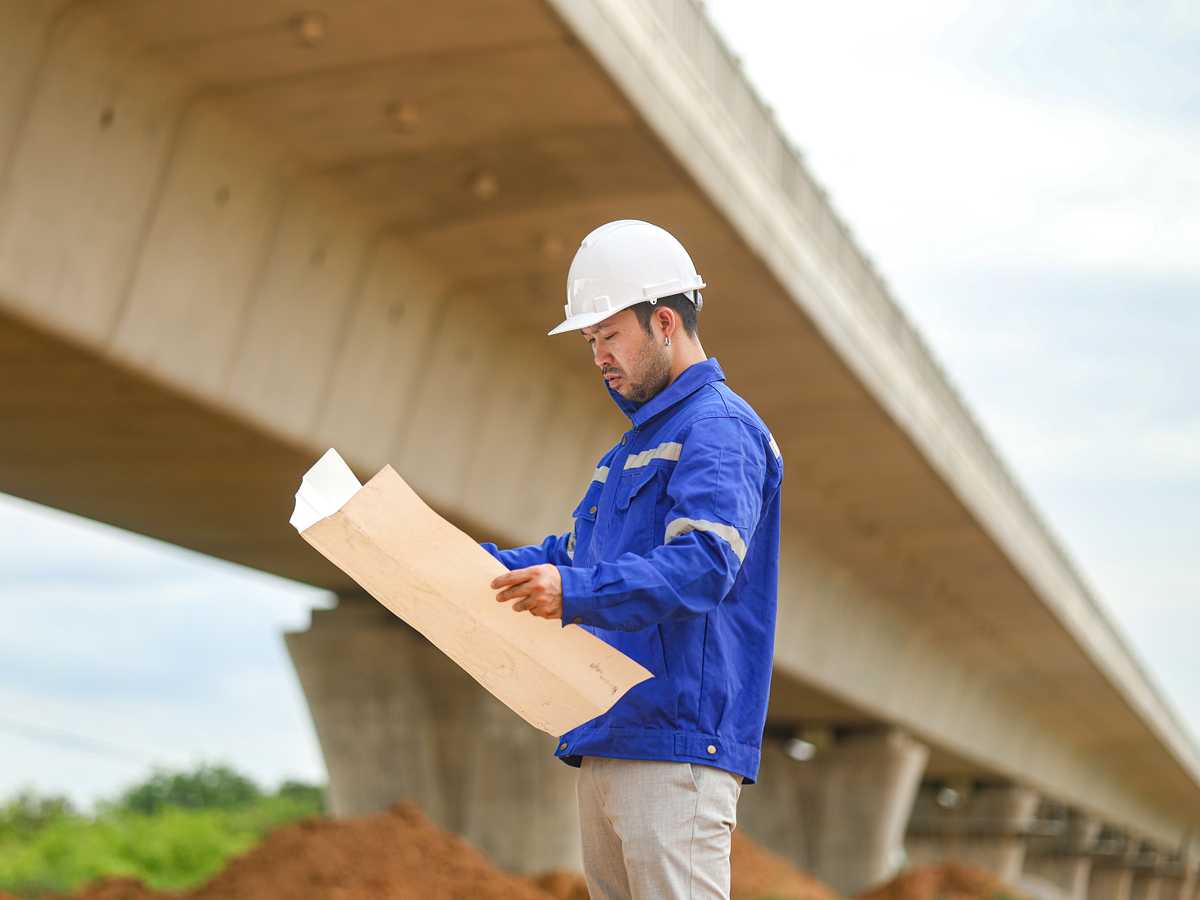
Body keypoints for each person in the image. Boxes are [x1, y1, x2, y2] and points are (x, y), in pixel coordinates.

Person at [482, 220, 783, 900]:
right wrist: (461, 565)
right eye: (590, 340)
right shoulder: (629, 451)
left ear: (666, 322)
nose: (598, 356)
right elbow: (577, 556)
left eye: (608, 334)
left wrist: (574, 593)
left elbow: (704, 563)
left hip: (675, 749)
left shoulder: (720, 428)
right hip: (611, 738)